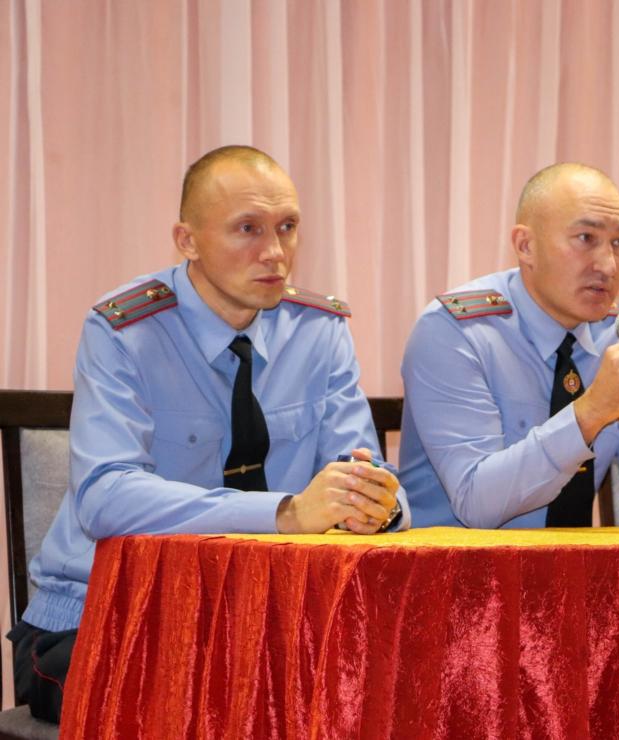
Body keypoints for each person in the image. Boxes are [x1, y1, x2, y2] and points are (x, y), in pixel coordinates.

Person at [9, 145, 408, 723]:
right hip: (105, 617)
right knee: (211, 707)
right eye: (248, 229)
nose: (275, 252)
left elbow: (365, 471)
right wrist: (287, 513)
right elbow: (105, 496)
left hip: (263, 622)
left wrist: (374, 502)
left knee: (389, 691)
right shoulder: (124, 330)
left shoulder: (318, 331)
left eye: (287, 227)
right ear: (187, 241)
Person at [400, 163, 619, 528]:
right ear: (526, 246)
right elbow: (475, 502)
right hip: (456, 561)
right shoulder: (455, 332)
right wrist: (591, 410)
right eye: (586, 238)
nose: (608, 265)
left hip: (576, 563)